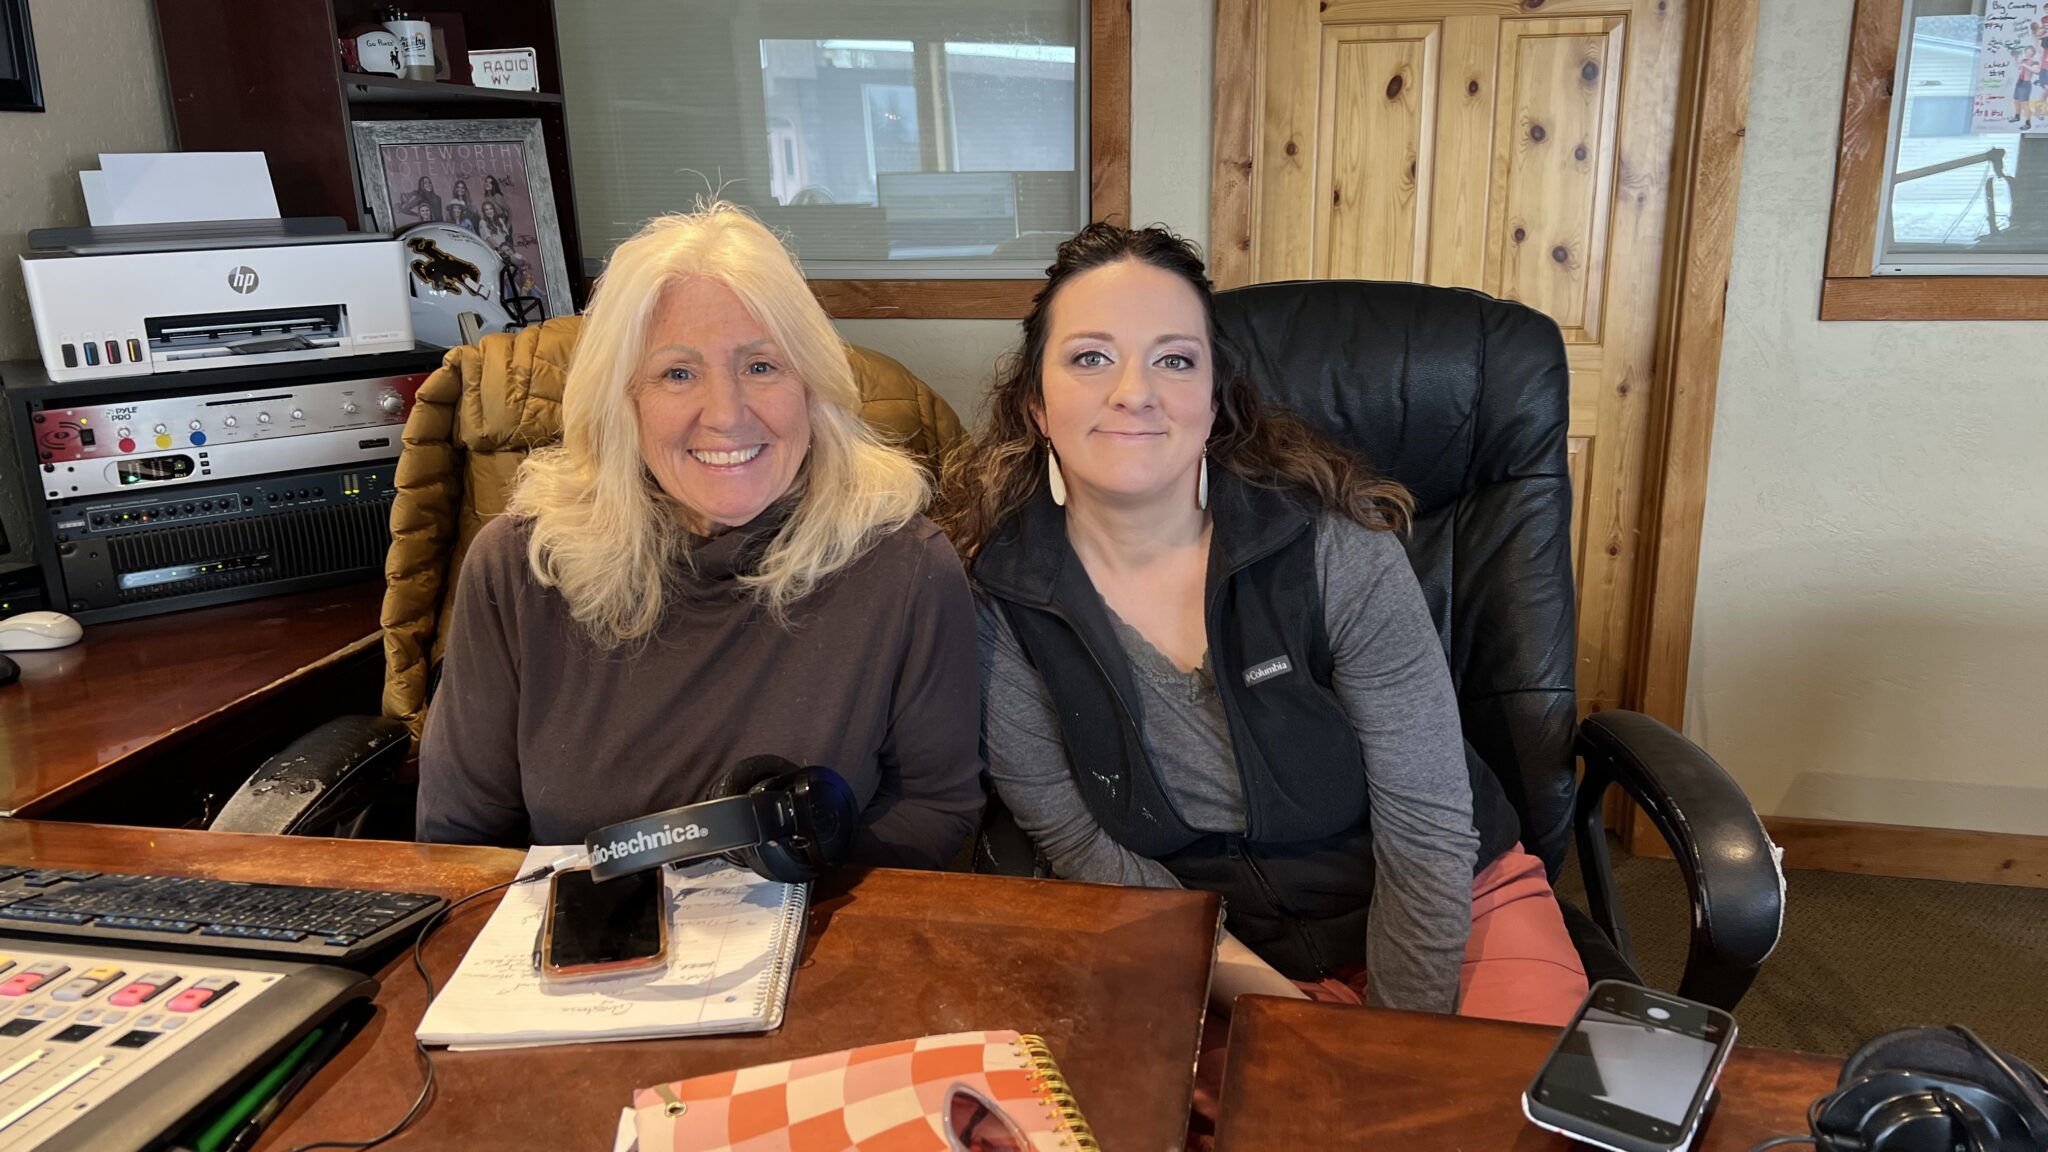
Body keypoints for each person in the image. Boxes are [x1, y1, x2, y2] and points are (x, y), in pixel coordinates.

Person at [939, 222, 1589, 1030]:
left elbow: (1426, 829)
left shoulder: (1337, 551)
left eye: (1176, 360)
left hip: (1449, 905)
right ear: (1036, 404)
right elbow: (1082, 843)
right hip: (1210, 945)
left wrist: (1391, 1042)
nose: (1134, 391)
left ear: (1213, 402)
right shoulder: (997, 602)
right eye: (1091, 357)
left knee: (1496, 1100)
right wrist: (1277, 1011)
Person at [417, 203, 984, 868]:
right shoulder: (518, 566)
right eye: (678, 373)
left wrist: (800, 874)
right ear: (623, 402)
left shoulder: (904, 565)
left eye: (762, 366)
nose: (727, 415)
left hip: (811, 919)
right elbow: (460, 840)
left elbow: (935, 808)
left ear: (811, 387)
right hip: (580, 925)